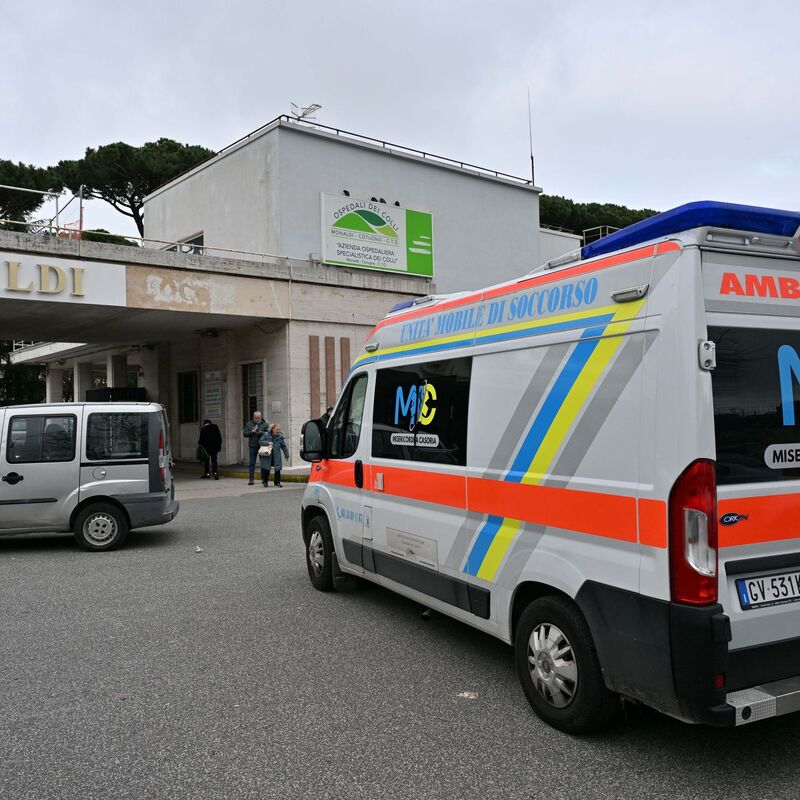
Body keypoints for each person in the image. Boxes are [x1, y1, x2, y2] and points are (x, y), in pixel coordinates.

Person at [259, 422, 290, 487]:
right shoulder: (266, 435)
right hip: (268, 456)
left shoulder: (280, 437)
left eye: (279, 430)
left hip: (276, 456)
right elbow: (260, 442)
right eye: (277, 430)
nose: (278, 431)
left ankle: (277, 483)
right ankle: (265, 482)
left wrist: (286, 454)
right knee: (266, 469)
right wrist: (268, 443)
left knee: (277, 469)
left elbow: (284, 446)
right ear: (272, 429)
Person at [242, 411, 268, 485]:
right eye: (255, 418)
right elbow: (245, 434)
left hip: (262, 446)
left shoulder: (265, 424)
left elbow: (268, 434)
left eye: (258, 418)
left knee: (263, 463)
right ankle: (251, 479)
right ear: (253, 417)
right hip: (252, 445)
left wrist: (260, 432)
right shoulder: (249, 424)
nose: (257, 419)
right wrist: (252, 431)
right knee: (252, 463)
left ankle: (263, 479)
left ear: (261, 417)